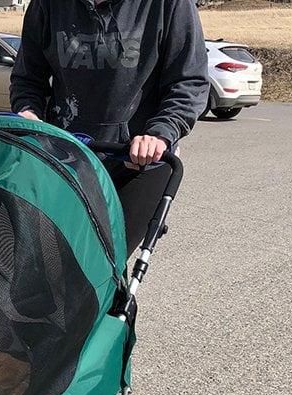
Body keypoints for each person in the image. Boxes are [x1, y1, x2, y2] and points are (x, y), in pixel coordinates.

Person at [10, 0, 208, 252]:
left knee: (105, 261)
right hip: (66, 157)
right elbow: (27, 77)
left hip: (136, 160)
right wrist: (28, 112)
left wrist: (161, 133)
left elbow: (190, 81)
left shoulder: (169, 5)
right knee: (49, 256)